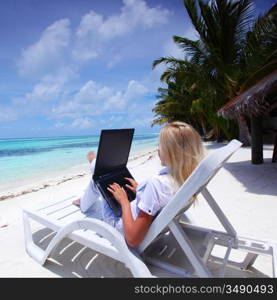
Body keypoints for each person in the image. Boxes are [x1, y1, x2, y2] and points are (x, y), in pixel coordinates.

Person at [73, 121, 206, 248]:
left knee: (97, 179)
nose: (157, 149)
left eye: (160, 145)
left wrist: (124, 201)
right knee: (105, 173)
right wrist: (140, 191)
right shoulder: (186, 176)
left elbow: (132, 239)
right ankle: (93, 164)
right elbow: (158, 199)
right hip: (136, 209)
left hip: (119, 224)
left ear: (172, 152)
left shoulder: (157, 184)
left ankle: (84, 202)